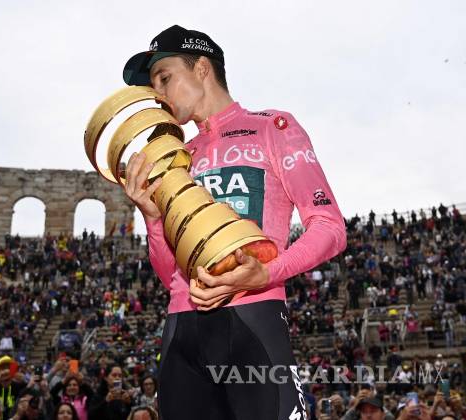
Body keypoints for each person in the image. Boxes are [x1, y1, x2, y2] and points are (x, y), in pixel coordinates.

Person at [122, 24, 347, 420]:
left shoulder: (273, 127)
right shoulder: (176, 156)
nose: (157, 94)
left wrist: (268, 273)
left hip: (254, 321)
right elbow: (171, 274)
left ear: (202, 69)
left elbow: (330, 227)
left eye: (164, 78)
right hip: (181, 332)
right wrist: (153, 220)